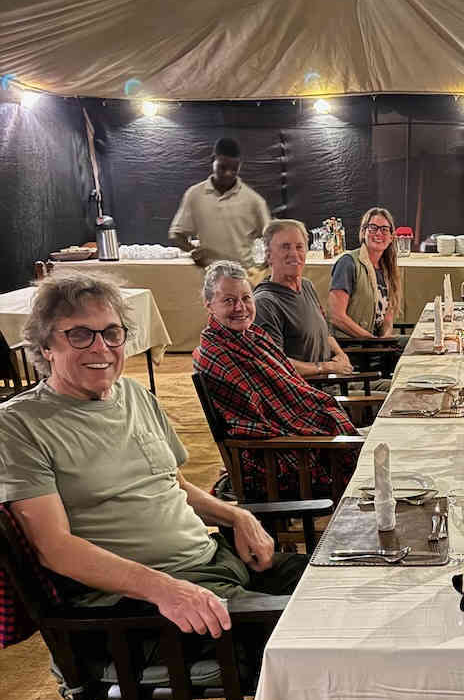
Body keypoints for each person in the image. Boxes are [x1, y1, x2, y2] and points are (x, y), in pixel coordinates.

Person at [0, 274, 305, 640]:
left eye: (112, 333)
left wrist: (237, 515)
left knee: (355, 585)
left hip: (214, 562)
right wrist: (163, 589)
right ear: (46, 345)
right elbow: (54, 549)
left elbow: (171, 484)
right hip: (143, 606)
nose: (101, 348)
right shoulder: (19, 425)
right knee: (324, 632)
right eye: (80, 334)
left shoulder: (134, 394)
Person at [196, 263, 359, 500]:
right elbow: (258, 422)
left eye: (245, 298)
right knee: (372, 459)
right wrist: (322, 428)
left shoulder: (254, 337)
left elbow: (294, 389)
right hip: (277, 464)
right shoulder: (216, 354)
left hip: (299, 441)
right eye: (229, 301)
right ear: (209, 305)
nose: (240, 308)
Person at [253, 219, 353, 379]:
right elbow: (273, 364)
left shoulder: (307, 286)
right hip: (309, 396)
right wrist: (326, 368)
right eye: (285, 247)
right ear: (268, 255)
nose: (294, 253)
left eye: (299, 247)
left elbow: (326, 333)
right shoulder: (265, 303)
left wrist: (342, 356)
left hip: (335, 381)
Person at [169, 137, 270, 271]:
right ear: (212, 160)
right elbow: (176, 234)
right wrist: (194, 251)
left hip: (243, 276)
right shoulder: (195, 195)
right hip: (209, 274)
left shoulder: (254, 201)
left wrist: (262, 270)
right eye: (222, 167)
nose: (228, 173)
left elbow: (273, 239)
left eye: (234, 169)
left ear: (240, 165)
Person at [327, 206, 403, 340]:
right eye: (373, 228)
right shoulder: (348, 263)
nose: (379, 233)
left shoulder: (387, 269)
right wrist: (371, 340)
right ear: (363, 232)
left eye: (384, 229)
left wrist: (384, 339)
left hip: (374, 345)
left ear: (391, 237)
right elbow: (336, 316)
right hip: (352, 346)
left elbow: (387, 319)